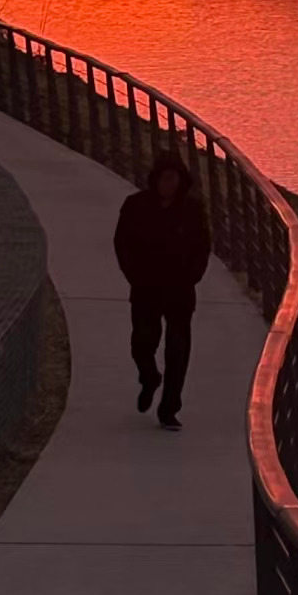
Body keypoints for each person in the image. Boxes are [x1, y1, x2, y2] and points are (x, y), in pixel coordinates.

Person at [114, 152, 211, 430]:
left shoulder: (192, 210)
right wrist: (134, 276)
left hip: (180, 291)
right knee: (142, 344)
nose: (170, 184)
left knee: (178, 351)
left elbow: (203, 247)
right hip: (145, 288)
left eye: (175, 179)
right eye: (165, 178)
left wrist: (192, 277)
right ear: (156, 179)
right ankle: (149, 378)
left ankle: (169, 409)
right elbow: (122, 244)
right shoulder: (135, 206)